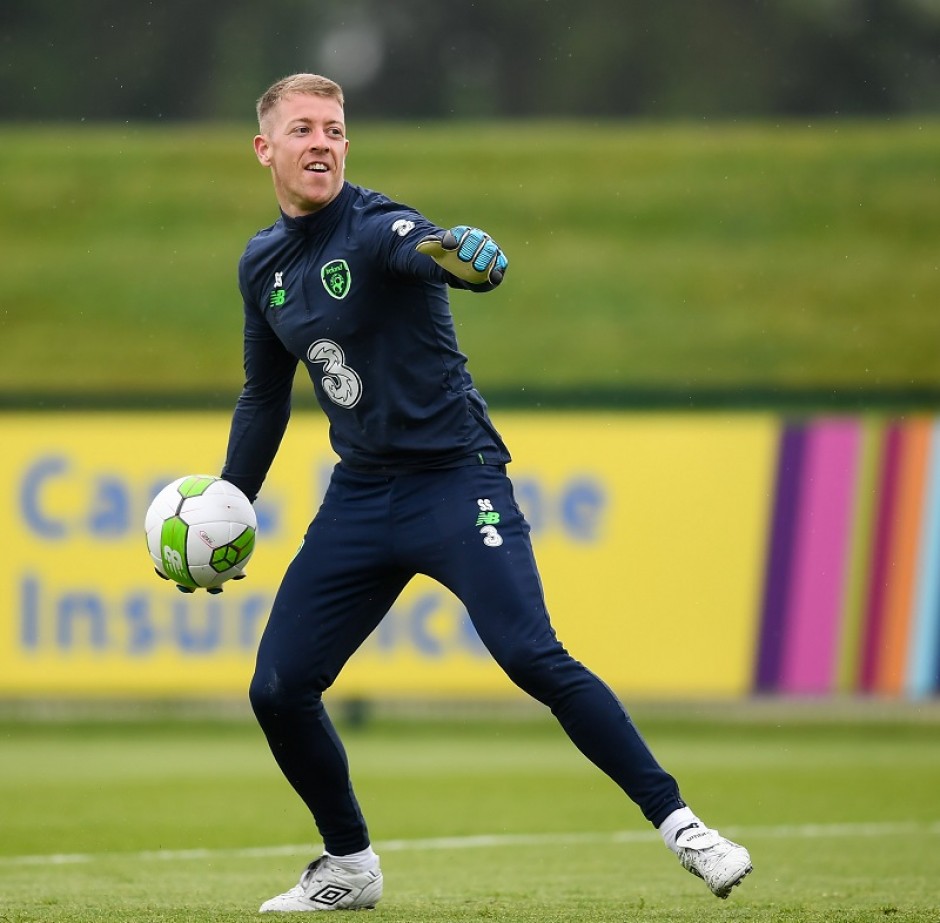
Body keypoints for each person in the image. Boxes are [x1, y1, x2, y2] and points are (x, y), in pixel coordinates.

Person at [216, 72, 752, 913]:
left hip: (455, 480)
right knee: (277, 688)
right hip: (361, 494)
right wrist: (230, 506)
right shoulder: (262, 263)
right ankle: (349, 864)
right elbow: (263, 396)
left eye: (335, 129)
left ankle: (685, 827)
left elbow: (427, 249)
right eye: (304, 129)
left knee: (531, 656)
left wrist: (465, 257)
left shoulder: (378, 226)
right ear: (265, 148)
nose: (322, 142)